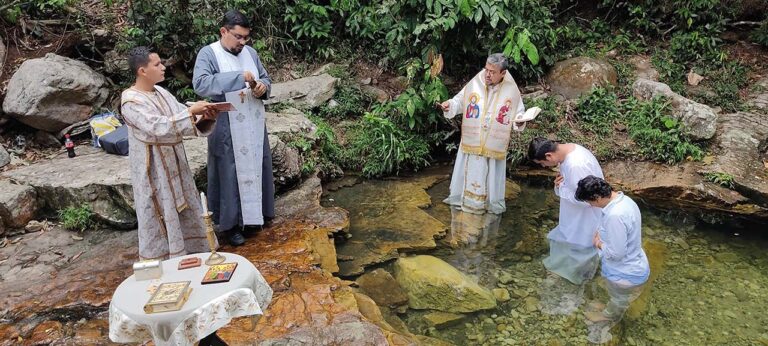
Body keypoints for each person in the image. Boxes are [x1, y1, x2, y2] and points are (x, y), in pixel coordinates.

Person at [120, 46, 218, 260]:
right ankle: (165, 264)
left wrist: (205, 116)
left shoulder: (161, 92)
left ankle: (194, 257)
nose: (163, 67)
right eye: (157, 64)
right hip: (154, 171)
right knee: (160, 212)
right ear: (142, 71)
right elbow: (157, 127)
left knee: (186, 209)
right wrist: (191, 112)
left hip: (176, 164)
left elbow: (179, 116)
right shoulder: (131, 102)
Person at [193, 9, 275, 246]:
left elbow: (265, 79)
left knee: (258, 165)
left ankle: (258, 216)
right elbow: (202, 84)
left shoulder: (251, 53)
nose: (242, 42)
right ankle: (230, 226)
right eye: (238, 37)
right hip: (226, 124)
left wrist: (262, 87)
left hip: (253, 121)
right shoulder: (208, 53)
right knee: (228, 172)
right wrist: (239, 77)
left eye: (245, 37)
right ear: (223, 31)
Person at [439, 53, 527, 214]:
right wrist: (449, 105)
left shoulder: (511, 89)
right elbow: (460, 100)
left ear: (503, 73)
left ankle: (487, 204)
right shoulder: (477, 81)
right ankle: (463, 201)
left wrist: (520, 120)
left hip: (493, 142)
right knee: (468, 169)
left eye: (492, 72)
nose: (487, 74)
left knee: (491, 174)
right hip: (474, 138)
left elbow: (518, 112)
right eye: (486, 69)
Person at [528, 137, 604, 315]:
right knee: (569, 238)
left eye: (543, 163)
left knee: (580, 243)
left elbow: (588, 199)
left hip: (585, 215)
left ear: (548, 155)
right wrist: (560, 186)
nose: (545, 167)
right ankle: (569, 273)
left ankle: (576, 278)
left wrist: (561, 189)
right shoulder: (568, 153)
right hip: (574, 213)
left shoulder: (576, 164)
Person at [575, 175, 650, 344]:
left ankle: (608, 316)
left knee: (619, 299)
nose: (590, 205)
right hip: (635, 262)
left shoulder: (615, 215)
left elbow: (617, 254)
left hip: (625, 273)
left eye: (590, 202)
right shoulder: (625, 200)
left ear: (597, 197)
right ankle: (609, 308)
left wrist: (599, 243)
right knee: (617, 297)